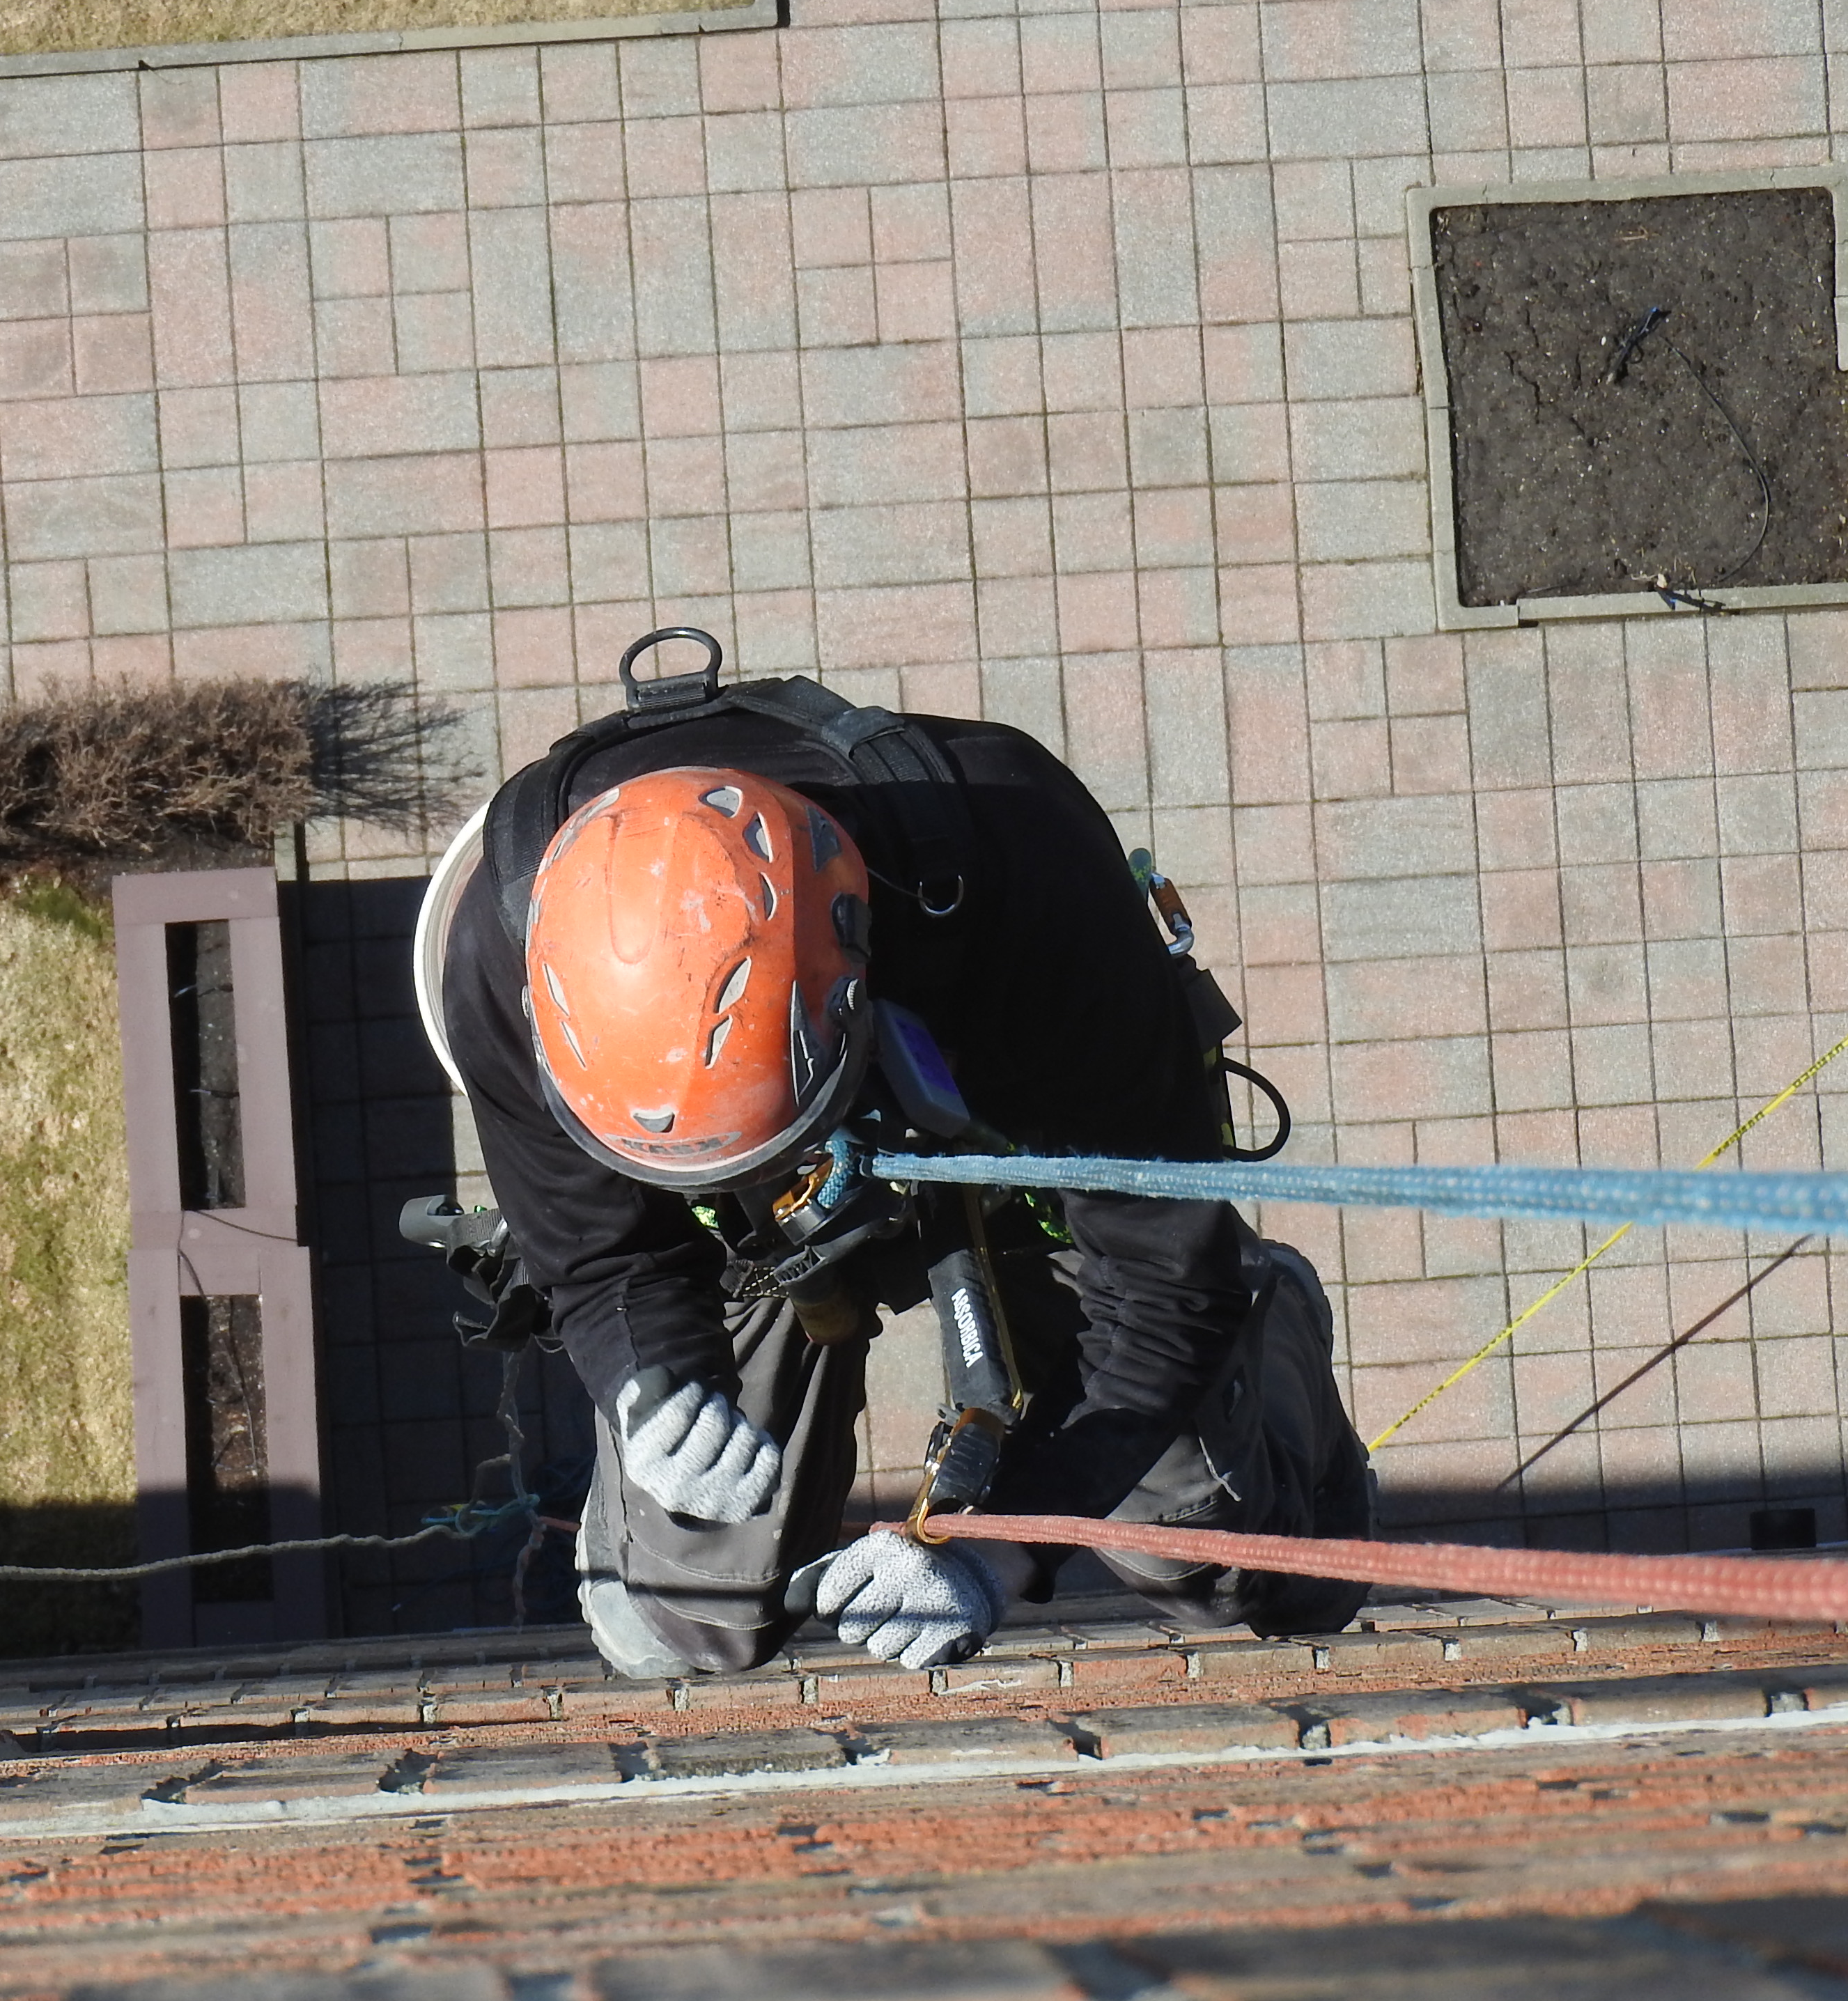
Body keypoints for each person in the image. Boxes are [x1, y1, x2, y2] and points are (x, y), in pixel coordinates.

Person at [414, 632, 1372, 1679]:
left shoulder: (1026, 868)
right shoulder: (501, 963)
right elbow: (601, 1256)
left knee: (1215, 1560)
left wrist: (996, 1548)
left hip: (1018, 1158)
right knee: (681, 1621)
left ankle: (1271, 1325)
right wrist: (649, 1388)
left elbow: (1157, 1281)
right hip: (740, 1242)